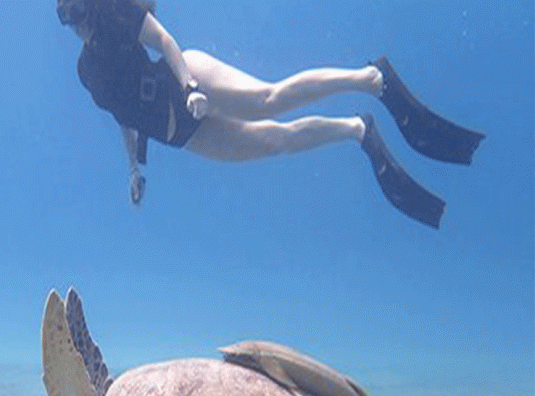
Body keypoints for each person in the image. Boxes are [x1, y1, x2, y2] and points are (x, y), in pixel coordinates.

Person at [56, 0, 485, 229]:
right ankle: (357, 131)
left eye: (74, 10)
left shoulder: (118, 14)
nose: (73, 21)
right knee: (276, 142)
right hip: (182, 134)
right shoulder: (85, 71)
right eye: (64, 16)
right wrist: (134, 170)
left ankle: (369, 78)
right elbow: (122, 117)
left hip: (186, 82)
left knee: (269, 98)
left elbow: (166, 41)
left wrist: (189, 86)